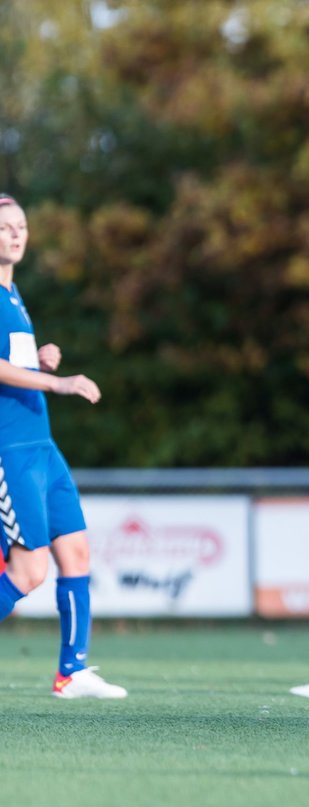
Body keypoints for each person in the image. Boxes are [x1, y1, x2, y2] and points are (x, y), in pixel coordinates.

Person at [0, 192, 126, 699]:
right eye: (5, 226)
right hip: (9, 452)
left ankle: (72, 673)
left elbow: (13, 367)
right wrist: (59, 382)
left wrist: (41, 362)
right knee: (30, 570)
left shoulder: (13, 294)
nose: (15, 233)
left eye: (21, 225)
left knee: (75, 550)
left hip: (42, 447)